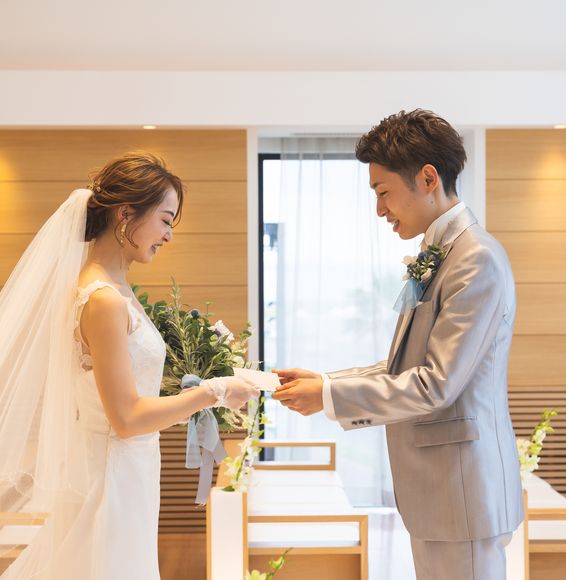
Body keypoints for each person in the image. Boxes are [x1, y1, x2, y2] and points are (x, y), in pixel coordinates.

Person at [273, 110, 523, 580]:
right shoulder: (442, 253)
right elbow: (403, 363)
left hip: (463, 492)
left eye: (383, 192)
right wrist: (325, 381)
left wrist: (328, 395)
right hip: (442, 493)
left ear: (428, 179)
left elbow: (435, 385)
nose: (379, 210)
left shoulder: (476, 259)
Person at [0, 152, 259, 579]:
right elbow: (125, 417)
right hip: (111, 474)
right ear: (125, 215)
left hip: (128, 469)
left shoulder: (115, 288)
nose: (168, 236)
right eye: (165, 220)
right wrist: (214, 391)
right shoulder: (103, 299)